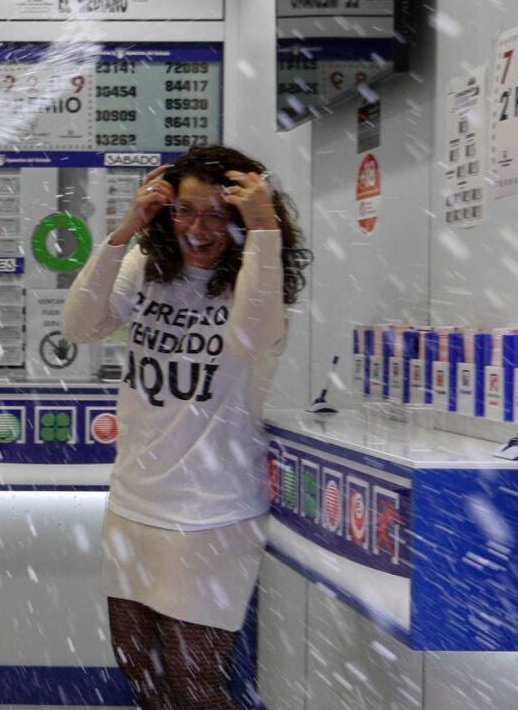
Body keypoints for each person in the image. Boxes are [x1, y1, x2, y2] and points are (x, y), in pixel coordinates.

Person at [62, 145, 310, 709]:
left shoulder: (256, 279)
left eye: (216, 215)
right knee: (140, 669)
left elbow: (248, 339)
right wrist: (125, 229)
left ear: (241, 219)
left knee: (194, 682)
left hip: (213, 513)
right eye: (184, 211)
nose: (197, 230)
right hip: (135, 501)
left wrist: (264, 228)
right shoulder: (147, 267)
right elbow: (78, 326)